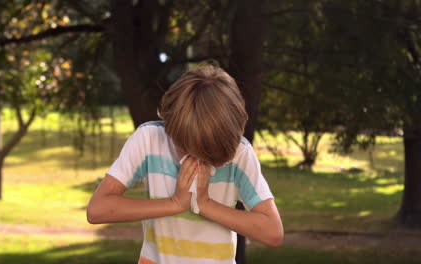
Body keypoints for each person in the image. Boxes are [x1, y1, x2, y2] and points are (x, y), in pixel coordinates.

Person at [86, 65, 284, 264]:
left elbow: (273, 232)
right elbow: (97, 209)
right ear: (171, 128)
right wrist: (174, 203)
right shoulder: (149, 140)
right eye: (186, 149)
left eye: (208, 157)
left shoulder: (240, 153)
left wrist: (205, 204)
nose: (195, 161)